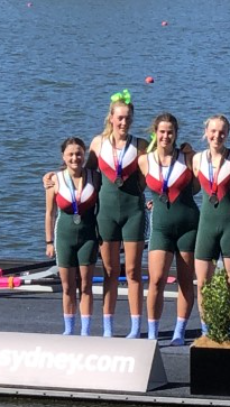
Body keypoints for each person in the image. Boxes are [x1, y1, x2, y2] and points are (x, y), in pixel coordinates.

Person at [88, 90, 147, 338]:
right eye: (120, 118)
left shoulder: (142, 145)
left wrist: (185, 153)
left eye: (128, 119)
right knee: (110, 271)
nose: (124, 123)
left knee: (132, 271)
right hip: (106, 214)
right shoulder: (97, 143)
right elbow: (82, 173)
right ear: (111, 118)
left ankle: (135, 328)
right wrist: (53, 177)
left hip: (133, 212)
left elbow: (156, 175)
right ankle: (109, 328)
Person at [138, 113, 199, 345]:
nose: (165, 136)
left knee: (185, 281)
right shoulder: (144, 161)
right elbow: (129, 186)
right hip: (161, 227)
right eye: (161, 132)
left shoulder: (187, 158)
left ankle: (179, 332)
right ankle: (153, 333)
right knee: (156, 280)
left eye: (170, 132)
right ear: (155, 132)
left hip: (188, 225)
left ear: (175, 134)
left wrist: (191, 153)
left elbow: (197, 188)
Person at [192, 114, 230, 336]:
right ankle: (206, 328)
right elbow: (186, 187)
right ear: (206, 133)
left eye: (222, 132)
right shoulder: (197, 160)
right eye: (213, 131)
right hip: (206, 226)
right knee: (203, 282)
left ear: (227, 134)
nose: (217, 135)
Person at [44, 138, 99, 336]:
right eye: (71, 154)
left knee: (86, 285)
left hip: (88, 237)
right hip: (64, 238)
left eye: (79, 154)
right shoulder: (55, 180)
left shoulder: (95, 177)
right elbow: (49, 214)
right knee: (68, 287)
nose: (75, 158)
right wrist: (49, 242)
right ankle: (69, 329)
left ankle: (85, 330)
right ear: (63, 157)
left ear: (84, 155)